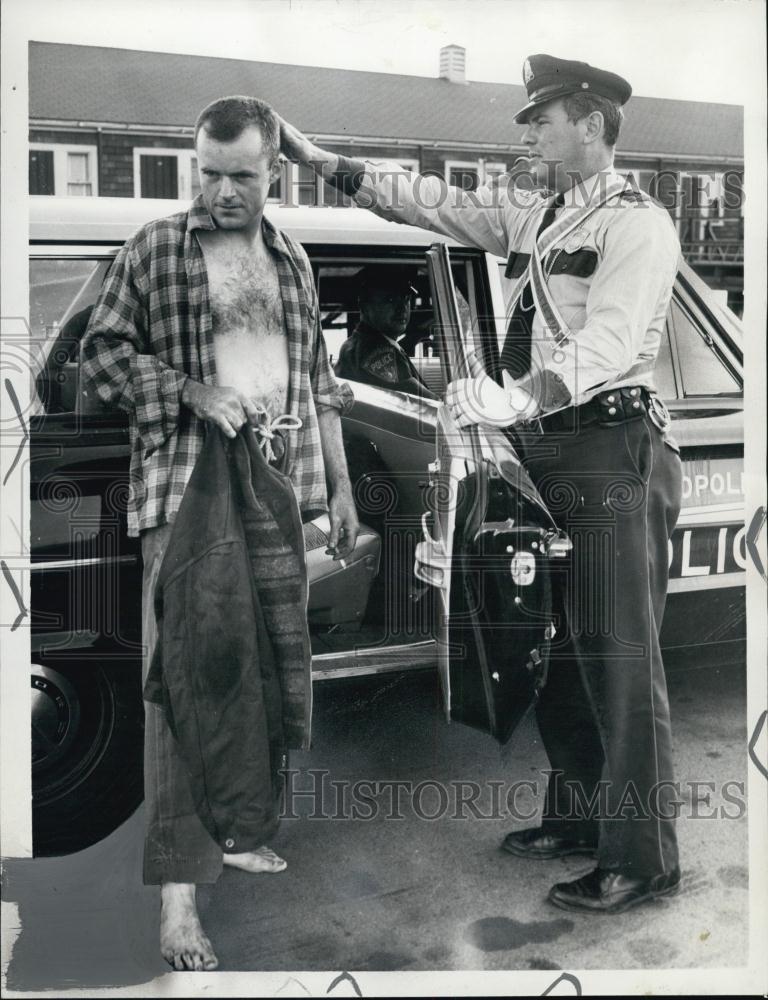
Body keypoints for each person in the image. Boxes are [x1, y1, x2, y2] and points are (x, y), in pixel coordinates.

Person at [278, 53, 684, 915]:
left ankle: (642, 857)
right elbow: (427, 200)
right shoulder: (537, 211)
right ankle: (579, 818)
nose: (526, 136)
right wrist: (321, 162)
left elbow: (610, 343)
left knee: (618, 656)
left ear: (592, 125)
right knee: (555, 646)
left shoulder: (639, 223)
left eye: (542, 121)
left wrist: (517, 396)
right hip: (548, 452)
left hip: (611, 448)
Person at [81, 95, 358, 970]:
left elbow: (319, 383)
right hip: (186, 495)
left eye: (242, 176)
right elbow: (100, 354)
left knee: (265, 679)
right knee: (185, 689)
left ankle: (238, 829)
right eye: (208, 173)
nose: (223, 191)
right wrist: (191, 393)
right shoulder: (156, 248)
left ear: (274, 171)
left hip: (276, 496)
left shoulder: (292, 258)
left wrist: (341, 485)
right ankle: (177, 899)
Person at [334, 265, 437, 398]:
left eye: (406, 298)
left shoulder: (357, 343)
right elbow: (429, 404)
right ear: (365, 306)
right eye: (390, 300)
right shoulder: (379, 353)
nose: (402, 308)